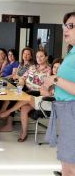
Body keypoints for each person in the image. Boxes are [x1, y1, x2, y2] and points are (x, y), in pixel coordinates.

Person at [44, 11, 75, 176]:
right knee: (66, 163)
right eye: (65, 25)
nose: (66, 29)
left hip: (72, 111)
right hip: (66, 111)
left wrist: (55, 80)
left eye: (71, 26)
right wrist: (53, 86)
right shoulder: (72, 52)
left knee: (70, 165)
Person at [0, 50, 51, 141]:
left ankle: (7, 112)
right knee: (23, 107)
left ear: (46, 57)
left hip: (39, 95)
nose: (39, 58)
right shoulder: (32, 67)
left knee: (25, 97)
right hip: (28, 91)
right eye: (37, 56)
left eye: (41, 56)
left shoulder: (49, 70)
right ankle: (24, 133)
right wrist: (21, 85)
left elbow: (47, 87)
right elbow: (22, 78)